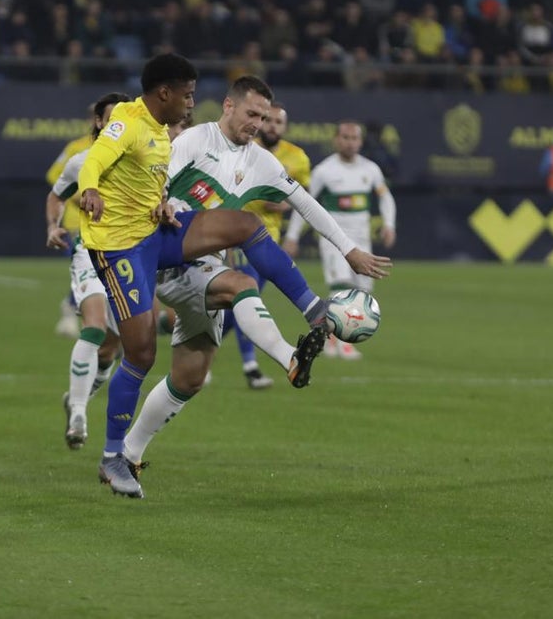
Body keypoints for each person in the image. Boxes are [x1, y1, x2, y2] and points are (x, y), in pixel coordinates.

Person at [80, 54, 391, 497]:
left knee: (189, 376)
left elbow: (306, 204)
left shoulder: (261, 162)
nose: (258, 124)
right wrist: (160, 198)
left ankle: (128, 454)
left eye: (264, 118)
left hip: (196, 259)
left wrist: (350, 249)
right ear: (228, 106)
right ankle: (305, 329)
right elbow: (146, 171)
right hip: (159, 250)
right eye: (251, 114)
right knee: (163, 337)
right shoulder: (191, 140)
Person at [45, 92, 130, 449]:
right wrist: (53, 226)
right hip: (90, 253)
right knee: (94, 328)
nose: (118, 127)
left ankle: (76, 398)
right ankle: (78, 414)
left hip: (128, 259)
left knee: (113, 347)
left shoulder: (140, 162)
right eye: (112, 120)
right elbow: (56, 195)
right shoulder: (81, 161)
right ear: (98, 122)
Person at [284, 122, 397, 360]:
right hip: (334, 239)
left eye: (354, 138)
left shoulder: (371, 169)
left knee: (363, 290)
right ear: (336, 140)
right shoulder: (325, 171)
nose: (350, 142)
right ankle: (340, 343)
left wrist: (389, 224)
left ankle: (336, 336)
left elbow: (385, 198)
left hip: (362, 239)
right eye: (345, 137)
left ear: (360, 141)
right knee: (341, 286)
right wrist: (292, 236)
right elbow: (303, 203)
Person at [221, 101, 312, 390]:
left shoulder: (297, 158)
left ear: (285, 127)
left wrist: (290, 227)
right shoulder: (244, 150)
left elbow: (301, 199)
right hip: (239, 236)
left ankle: (195, 343)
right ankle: (251, 367)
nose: (272, 126)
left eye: (277, 122)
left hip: (269, 241)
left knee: (237, 307)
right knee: (248, 299)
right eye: (267, 120)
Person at [46, 110, 98, 338]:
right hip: (76, 221)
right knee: (87, 267)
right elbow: (54, 175)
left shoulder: (118, 148)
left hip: (106, 223)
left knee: (94, 270)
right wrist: (76, 196)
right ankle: (72, 309)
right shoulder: (76, 148)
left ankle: (73, 309)